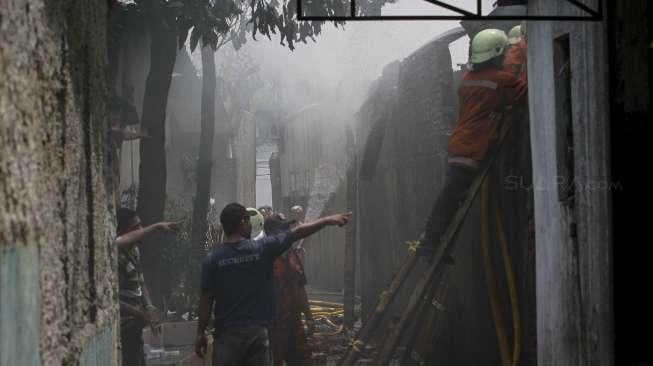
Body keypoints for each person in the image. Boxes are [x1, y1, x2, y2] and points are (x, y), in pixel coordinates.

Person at [194, 203, 351, 365]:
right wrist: (326, 220)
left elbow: (206, 299)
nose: (250, 226)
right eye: (248, 221)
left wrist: (200, 333)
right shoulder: (261, 250)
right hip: (257, 334)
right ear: (242, 223)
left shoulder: (212, 260)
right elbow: (297, 232)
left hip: (226, 336)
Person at [419, 29, 527, 258]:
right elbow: (519, 91)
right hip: (473, 149)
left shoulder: (468, 79)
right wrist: (521, 48)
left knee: (450, 198)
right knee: (449, 199)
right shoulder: (501, 81)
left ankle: (434, 242)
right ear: (498, 54)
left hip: (460, 145)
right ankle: (430, 243)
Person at [115, 208, 180, 366]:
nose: (140, 230)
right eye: (135, 227)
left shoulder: (134, 251)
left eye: (140, 225)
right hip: (122, 328)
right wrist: (137, 313)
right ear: (123, 231)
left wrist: (149, 306)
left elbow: (141, 283)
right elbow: (111, 299)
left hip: (134, 327)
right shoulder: (115, 252)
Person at [266, 214, 315, 366]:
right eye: (283, 229)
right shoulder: (264, 257)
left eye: (287, 228)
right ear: (271, 233)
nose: (287, 232)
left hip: (295, 325)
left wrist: (309, 317)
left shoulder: (293, 255)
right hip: (273, 328)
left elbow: (300, 288)